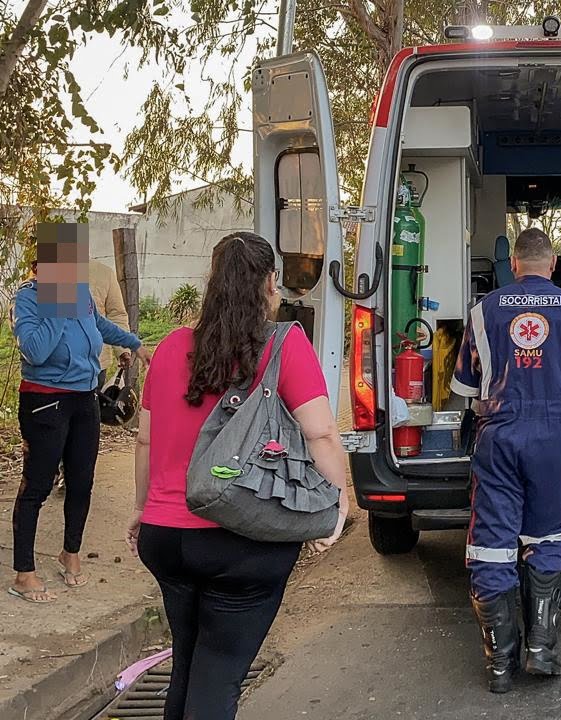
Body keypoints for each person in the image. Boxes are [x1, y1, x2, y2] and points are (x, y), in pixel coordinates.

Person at [127, 232, 349, 719]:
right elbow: (322, 435)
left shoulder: (168, 349)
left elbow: (144, 441)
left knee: (187, 665)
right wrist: (338, 504)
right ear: (272, 283)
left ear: (211, 282)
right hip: (243, 541)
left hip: (166, 539)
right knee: (218, 677)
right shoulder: (283, 347)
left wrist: (142, 511)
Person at [451, 227, 561, 693]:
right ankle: (541, 648)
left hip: (498, 433)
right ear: (554, 263)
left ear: (514, 264)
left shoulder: (483, 312)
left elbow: (465, 390)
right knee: (549, 536)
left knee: (491, 544)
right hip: (554, 435)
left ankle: (500, 666)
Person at [9, 232, 148, 603]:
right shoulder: (28, 300)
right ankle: (24, 572)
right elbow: (35, 352)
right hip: (45, 402)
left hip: (84, 398)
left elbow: (99, 326)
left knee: (82, 482)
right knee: (36, 486)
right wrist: (57, 303)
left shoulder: (80, 294)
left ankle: (69, 553)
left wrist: (133, 343)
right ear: (38, 270)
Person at [88, 259, 131, 386]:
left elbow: (116, 314)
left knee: (92, 404)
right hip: (54, 367)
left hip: (95, 363)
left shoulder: (103, 273)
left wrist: (122, 349)